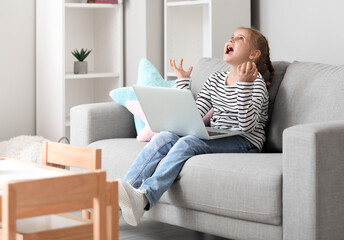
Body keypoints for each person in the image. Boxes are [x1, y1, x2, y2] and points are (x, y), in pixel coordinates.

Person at [117, 27, 274, 226]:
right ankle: (122, 196)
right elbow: (196, 113)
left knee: (189, 143)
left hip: (245, 141)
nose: (231, 40)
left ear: (254, 54)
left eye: (240, 38)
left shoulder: (255, 83)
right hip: (219, 135)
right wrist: (183, 82)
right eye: (231, 36)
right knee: (164, 137)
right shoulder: (215, 79)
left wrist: (243, 85)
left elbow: (247, 125)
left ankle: (146, 197)